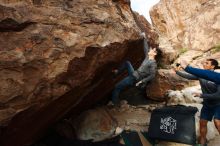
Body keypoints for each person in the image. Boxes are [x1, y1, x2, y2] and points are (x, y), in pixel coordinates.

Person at [175, 59, 220, 146]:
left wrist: (201, 95)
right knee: (202, 123)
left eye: (207, 63)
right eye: (204, 62)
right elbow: (188, 76)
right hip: (207, 104)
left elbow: (218, 95)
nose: (204, 64)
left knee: (217, 122)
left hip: (218, 104)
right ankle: (202, 144)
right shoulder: (201, 75)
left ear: (213, 66)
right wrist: (177, 72)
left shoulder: (217, 77)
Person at [111, 34, 159, 105]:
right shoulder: (148, 57)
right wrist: (144, 38)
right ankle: (117, 72)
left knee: (117, 87)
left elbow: (152, 75)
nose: (150, 50)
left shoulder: (153, 64)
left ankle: (114, 103)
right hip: (134, 73)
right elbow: (146, 48)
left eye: (152, 50)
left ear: (154, 54)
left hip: (134, 78)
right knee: (127, 63)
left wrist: (142, 81)